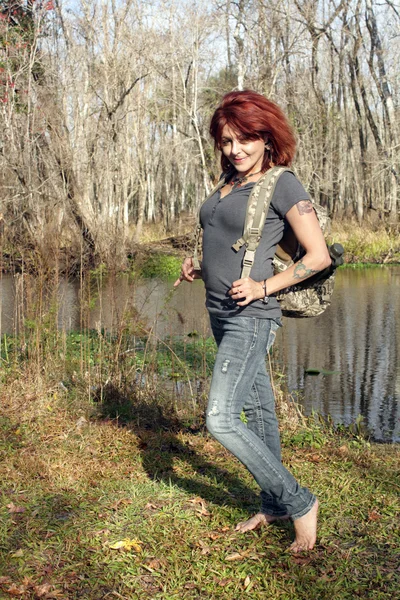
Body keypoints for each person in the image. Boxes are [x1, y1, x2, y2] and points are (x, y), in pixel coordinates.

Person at [174, 90, 331, 552]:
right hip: (220, 312)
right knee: (259, 410)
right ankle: (274, 504)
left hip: (253, 314)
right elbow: (232, 242)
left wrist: (264, 287)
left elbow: (318, 256)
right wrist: (201, 266)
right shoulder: (227, 184)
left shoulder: (282, 183)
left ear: (266, 137)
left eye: (245, 139)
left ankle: (299, 501)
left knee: (221, 418)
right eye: (226, 141)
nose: (235, 150)